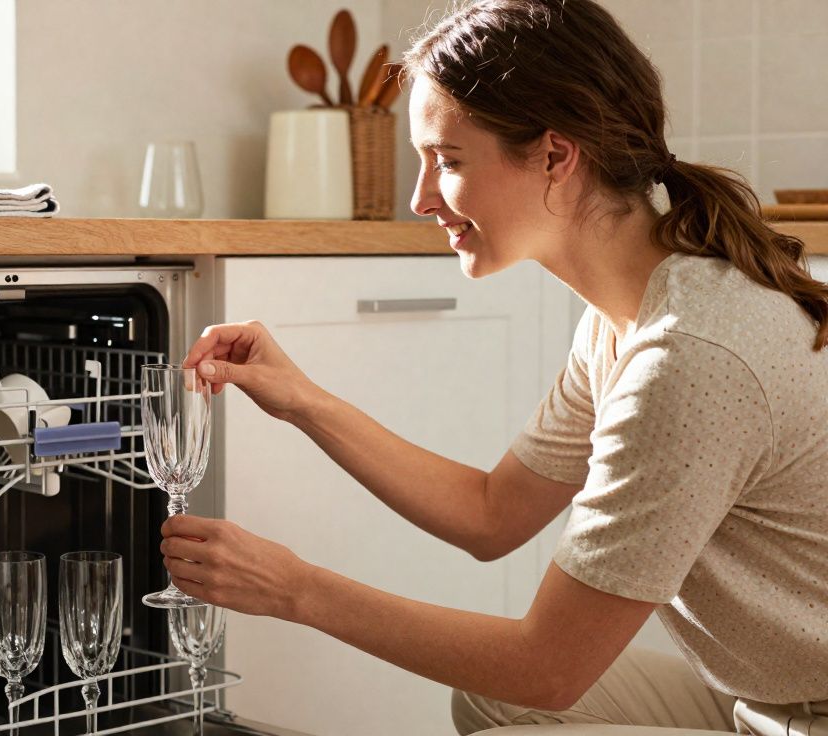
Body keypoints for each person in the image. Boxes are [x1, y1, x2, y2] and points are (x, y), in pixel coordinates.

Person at [159, 1, 828, 734]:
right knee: (489, 701)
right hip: (764, 696)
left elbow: (549, 668)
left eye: (446, 161)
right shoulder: (628, 314)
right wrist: (303, 400)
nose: (419, 199)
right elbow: (491, 514)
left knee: (520, 702)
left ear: (555, 155)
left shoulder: (686, 358)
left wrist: (295, 591)